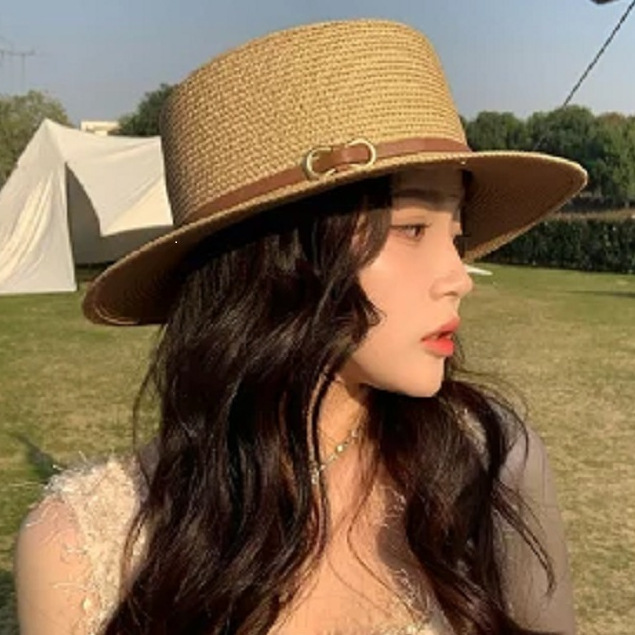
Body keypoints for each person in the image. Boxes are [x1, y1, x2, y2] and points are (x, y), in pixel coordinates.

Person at [14, 18, 587, 635]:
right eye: (412, 228)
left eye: (457, 234)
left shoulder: (490, 467)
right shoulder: (83, 546)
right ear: (278, 261)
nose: (458, 276)